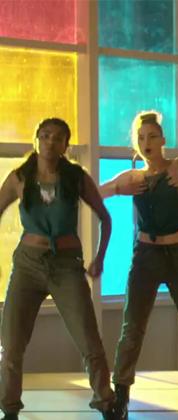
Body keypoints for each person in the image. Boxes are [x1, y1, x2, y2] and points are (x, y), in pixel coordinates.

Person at [100, 111, 178, 420]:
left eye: (152, 136)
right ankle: (121, 397)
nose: (147, 143)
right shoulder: (134, 178)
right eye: (141, 138)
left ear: (163, 139)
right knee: (132, 327)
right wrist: (119, 190)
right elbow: (94, 193)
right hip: (146, 256)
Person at [0, 118, 117, 419]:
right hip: (28, 264)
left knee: (89, 339)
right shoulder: (19, 177)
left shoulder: (76, 177)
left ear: (66, 145)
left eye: (58, 138)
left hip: (66, 265)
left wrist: (100, 257)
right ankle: (9, 408)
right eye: (46, 136)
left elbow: (105, 218)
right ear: (37, 139)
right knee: (11, 343)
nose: (51, 142)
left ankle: (106, 402)